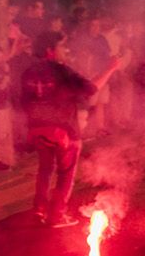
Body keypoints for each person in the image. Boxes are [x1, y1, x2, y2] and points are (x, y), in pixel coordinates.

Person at [20, 31, 120, 227]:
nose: (64, 50)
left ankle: (39, 209)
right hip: (64, 131)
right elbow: (90, 90)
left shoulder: (28, 72)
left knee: (45, 170)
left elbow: (23, 102)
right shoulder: (60, 70)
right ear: (50, 51)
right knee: (65, 174)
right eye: (61, 46)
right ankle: (56, 215)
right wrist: (110, 69)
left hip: (38, 129)